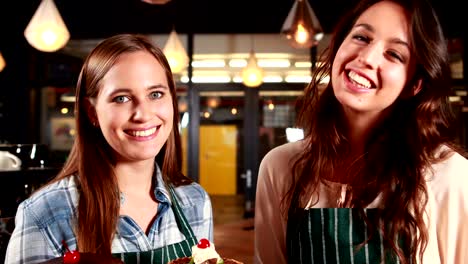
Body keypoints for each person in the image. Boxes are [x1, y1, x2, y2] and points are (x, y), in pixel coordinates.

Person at [254, 0, 468, 263]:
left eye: (394, 54)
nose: (366, 58)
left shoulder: (450, 176)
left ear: (414, 83)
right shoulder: (281, 167)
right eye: (361, 37)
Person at [5, 34, 214, 263]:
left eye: (155, 94)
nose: (143, 114)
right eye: (121, 98)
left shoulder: (194, 200)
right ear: (91, 112)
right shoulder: (46, 213)